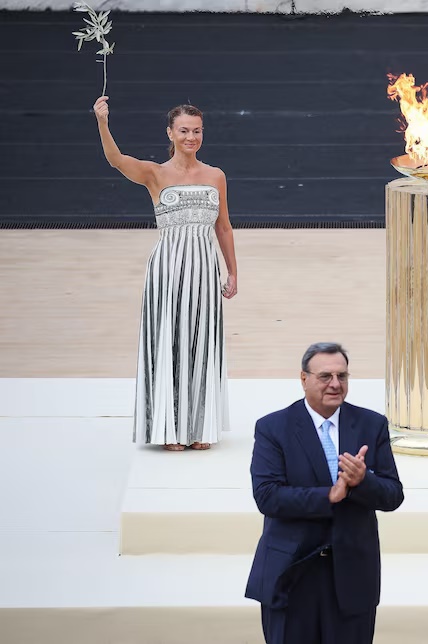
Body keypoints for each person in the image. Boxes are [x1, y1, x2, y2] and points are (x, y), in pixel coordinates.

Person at [93, 96, 238, 450]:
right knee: (169, 342)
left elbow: (224, 228)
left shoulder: (215, 175)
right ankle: (169, 429)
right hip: (168, 269)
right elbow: (115, 160)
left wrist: (233, 272)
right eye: (184, 131)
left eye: (197, 131)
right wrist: (102, 121)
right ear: (170, 133)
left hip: (204, 268)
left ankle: (199, 427)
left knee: (201, 342)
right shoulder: (154, 173)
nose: (191, 137)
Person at [246, 342, 404, 644]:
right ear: (304, 379)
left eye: (342, 376)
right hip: (292, 575)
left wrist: (362, 482)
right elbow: (267, 495)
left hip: (352, 577)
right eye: (325, 376)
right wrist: (328, 496)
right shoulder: (273, 427)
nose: (335, 384)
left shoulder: (371, 424)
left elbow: (393, 494)